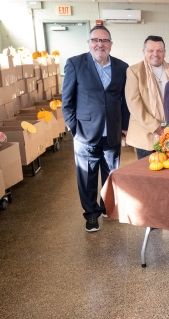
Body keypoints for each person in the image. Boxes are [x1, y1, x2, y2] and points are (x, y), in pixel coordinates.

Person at [62, 25, 129, 233]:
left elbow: (124, 101)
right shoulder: (75, 64)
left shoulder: (121, 67)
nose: (100, 44)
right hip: (85, 132)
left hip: (112, 132)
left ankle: (108, 207)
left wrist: (124, 127)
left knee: (111, 173)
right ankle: (91, 215)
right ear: (89, 43)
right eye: (95, 40)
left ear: (111, 44)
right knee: (87, 175)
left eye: (104, 40)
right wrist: (75, 128)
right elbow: (67, 100)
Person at [125, 35, 169, 159]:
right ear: (144, 52)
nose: (155, 54)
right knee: (147, 174)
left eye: (159, 50)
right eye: (150, 50)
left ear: (164, 52)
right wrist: (156, 127)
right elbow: (134, 103)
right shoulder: (134, 71)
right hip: (146, 134)